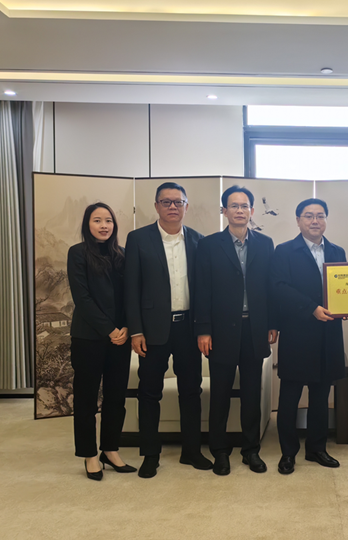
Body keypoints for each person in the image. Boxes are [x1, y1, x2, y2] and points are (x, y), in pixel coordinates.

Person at [125, 182, 211, 479]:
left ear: (186, 206)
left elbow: (204, 291)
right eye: (166, 202)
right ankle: (151, 455)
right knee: (149, 392)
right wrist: (136, 331)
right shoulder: (138, 239)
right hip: (152, 330)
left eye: (178, 202)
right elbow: (131, 288)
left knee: (191, 391)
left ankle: (192, 451)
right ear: (156, 206)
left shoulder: (199, 241)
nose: (173, 207)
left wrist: (204, 328)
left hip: (188, 328)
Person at [194, 185, 278, 476]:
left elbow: (270, 287)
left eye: (244, 206)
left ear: (252, 211)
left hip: (254, 329)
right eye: (234, 206)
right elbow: (202, 290)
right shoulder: (208, 245)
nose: (240, 210)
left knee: (252, 393)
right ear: (224, 211)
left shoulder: (265, 244)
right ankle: (219, 450)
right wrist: (203, 330)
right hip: (220, 331)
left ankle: (250, 449)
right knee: (219, 393)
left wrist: (272, 323)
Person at [271, 198, 347, 474]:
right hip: (297, 333)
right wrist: (311, 308)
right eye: (309, 216)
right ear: (298, 220)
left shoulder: (337, 251)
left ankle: (317, 448)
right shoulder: (284, 251)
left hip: (329, 334)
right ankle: (288, 453)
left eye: (320, 215)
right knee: (289, 397)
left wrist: (347, 309)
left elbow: (344, 287)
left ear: (326, 220)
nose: (315, 221)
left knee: (320, 396)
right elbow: (279, 287)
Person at [68, 202, 136, 481]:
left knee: (116, 398)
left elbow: (132, 294)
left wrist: (127, 327)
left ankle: (110, 449)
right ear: (88, 224)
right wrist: (110, 329)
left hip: (121, 338)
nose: (104, 225)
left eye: (108, 220)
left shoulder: (123, 254)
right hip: (89, 337)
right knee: (86, 399)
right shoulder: (77, 253)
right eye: (97, 220)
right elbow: (82, 298)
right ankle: (89, 455)